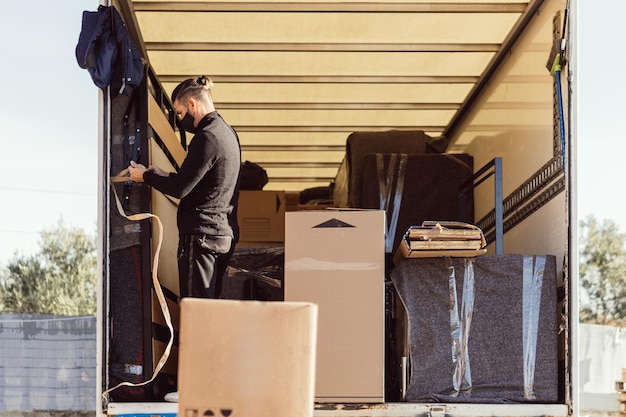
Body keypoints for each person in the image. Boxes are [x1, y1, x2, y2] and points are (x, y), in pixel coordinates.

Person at [128, 75, 241, 299]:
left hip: (202, 238)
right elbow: (201, 181)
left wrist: (145, 177)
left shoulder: (206, 137)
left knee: (195, 312)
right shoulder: (228, 134)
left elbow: (180, 188)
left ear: (192, 104)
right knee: (208, 314)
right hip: (222, 237)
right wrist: (164, 174)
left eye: (179, 113)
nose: (181, 120)